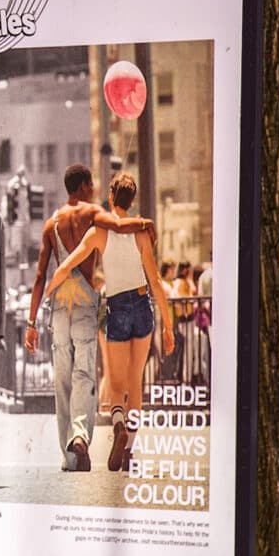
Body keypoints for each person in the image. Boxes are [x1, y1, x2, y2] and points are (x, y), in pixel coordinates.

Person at [33, 172, 179, 472]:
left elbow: (68, 263)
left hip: (115, 307)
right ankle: (129, 449)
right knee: (136, 381)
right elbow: (156, 281)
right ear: (133, 199)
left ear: (111, 197)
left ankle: (117, 423)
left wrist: (50, 290)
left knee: (115, 383)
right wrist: (168, 325)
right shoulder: (141, 235)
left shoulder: (98, 233)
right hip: (141, 305)